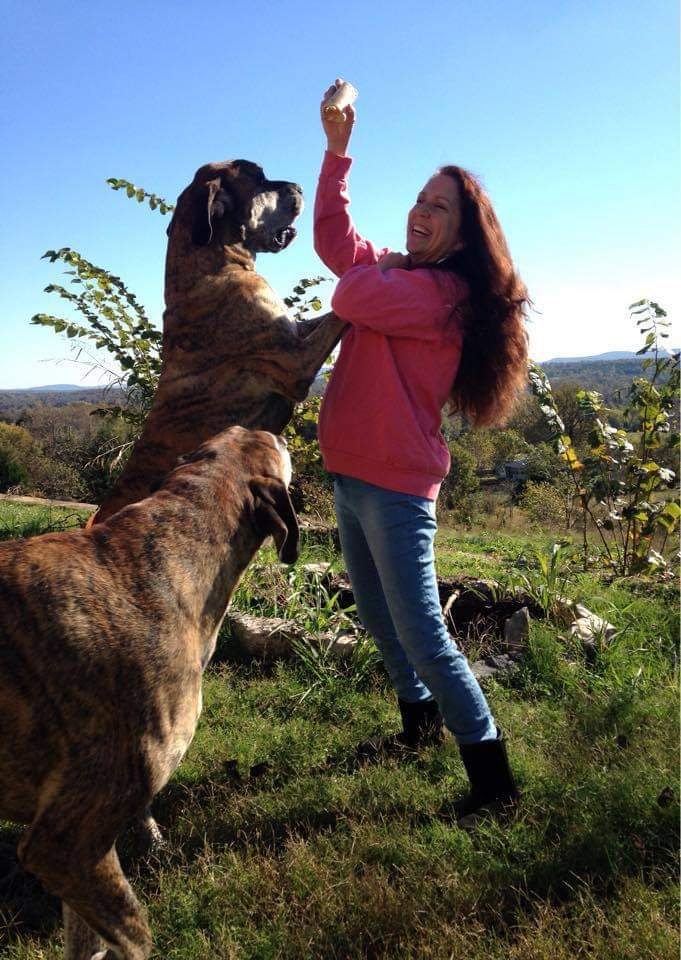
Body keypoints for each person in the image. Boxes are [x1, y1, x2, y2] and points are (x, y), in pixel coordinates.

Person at [313, 81, 530, 821]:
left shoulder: (438, 296)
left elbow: (349, 293)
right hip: (350, 473)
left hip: (396, 487)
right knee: (377, 615)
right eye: (418, 199)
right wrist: (337, 153)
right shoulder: (403, 274)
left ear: (464, 236)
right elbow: (337, 250)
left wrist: (378, 269)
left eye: (436, 207)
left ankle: (494, 785)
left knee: (424, 634)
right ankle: (417, 727)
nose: (418, 212)